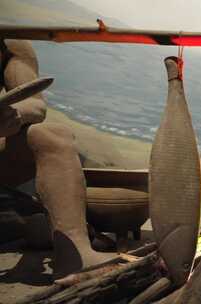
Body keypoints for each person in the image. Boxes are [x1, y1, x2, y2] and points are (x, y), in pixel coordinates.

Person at [0, 39, 112, 278]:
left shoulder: (10, 46)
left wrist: (15, 114)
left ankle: (76, 257)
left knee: (51, 134)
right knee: (31, 227)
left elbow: (35, 104)